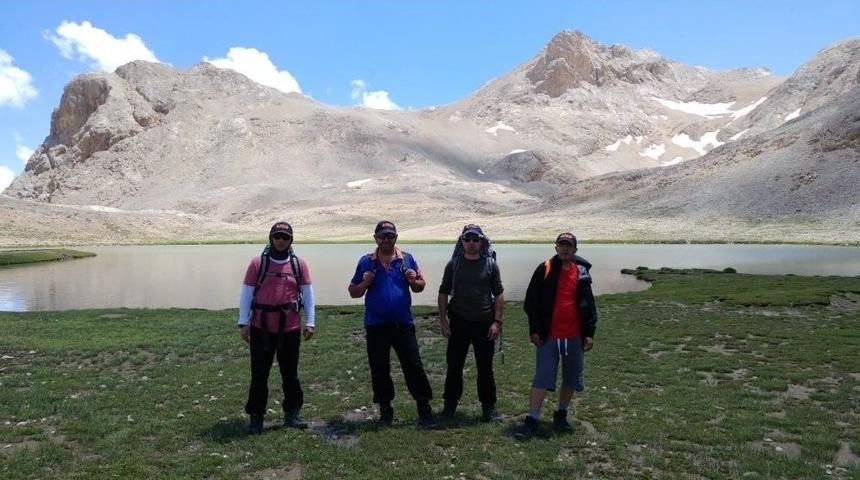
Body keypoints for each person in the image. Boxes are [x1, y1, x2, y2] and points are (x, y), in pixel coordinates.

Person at [348, 221, 436, 428]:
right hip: (376, 324)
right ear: (375, 238)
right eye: (382, 236)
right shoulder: (366, 262)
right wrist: (364, 283)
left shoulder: (407, 259)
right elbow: (353, 291)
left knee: (413, 365)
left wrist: (414, 280)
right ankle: (385, 410)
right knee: (379, 368)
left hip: (403, 323)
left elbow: (420, 287)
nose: (386, 239)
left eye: (390, 236)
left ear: (396, 237)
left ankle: (424, 408)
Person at [237, 221, 315, 434]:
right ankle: (256, 417)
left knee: (290, 374)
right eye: (277, 236)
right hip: (260, 328)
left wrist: (310, 322)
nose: (281, 240)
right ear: (271, 237)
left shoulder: (299, 264)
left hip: (289, 328)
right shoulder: (257, 264)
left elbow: (308, 294)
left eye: (285, 237)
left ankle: (292, 413)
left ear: (291, 240)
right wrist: (243, 322)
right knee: (259, 375)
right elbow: (246, 293)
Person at [517, 232, 597, 439]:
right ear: (556, 248)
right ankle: (532, 418)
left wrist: (589, 333)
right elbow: (530, 302)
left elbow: (589, 304)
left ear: (575, 250)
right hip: (548, 335)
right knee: (542, 377)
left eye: (569, 245)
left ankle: (561, 413)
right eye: (561, 245)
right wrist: (534, 329)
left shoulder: (582, 272)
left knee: (571, 377)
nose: (565, 249)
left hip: (573, 335)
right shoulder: (545, 269)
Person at [437, 224, 505, 421]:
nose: (472, 243)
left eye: (476, 239)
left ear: (482, 242)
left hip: (485, 323)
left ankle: (488, 408)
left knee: (485, 367)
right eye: (468, 239)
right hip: (458, 322)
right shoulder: (453, 265)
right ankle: (449, 407)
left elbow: (499, 293)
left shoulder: (491, 265)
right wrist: (443, 320)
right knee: (454, 366)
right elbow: (443, 292)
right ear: (462, 241)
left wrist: (497, 322)